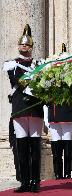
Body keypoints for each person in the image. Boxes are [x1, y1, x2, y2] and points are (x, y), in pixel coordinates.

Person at [3, 24, 44, 192]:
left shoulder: (39, 64)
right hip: (20, 107)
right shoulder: (12, 64)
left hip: (35, 107)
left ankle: (35, 181)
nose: (23, 47)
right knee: (21, 146)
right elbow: (16, 82)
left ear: (31, 46)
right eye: (21, 44)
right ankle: (24, 181)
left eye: (26, 45)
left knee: (35, 145)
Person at [43, 103, 72, 179]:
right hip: (53, 117)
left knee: (68, 146)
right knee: (56, 148)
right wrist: (45, 118)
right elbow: (46, 102)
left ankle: (67, 173)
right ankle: (57, 173)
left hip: (67, 117)